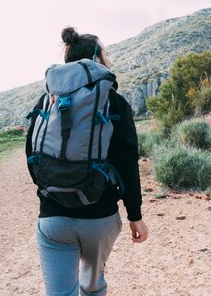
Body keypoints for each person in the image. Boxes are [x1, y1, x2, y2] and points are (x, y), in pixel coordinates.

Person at [26, 26, 148, 296]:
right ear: (96, 58)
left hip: (53, 220)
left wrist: (53, 191)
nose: (110, 58)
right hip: (99, 220)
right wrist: (135, 215)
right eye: (106, 52)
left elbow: (32, 158)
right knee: (92, 288)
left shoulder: (46, 101)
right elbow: (128, 163)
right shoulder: (114, 102)